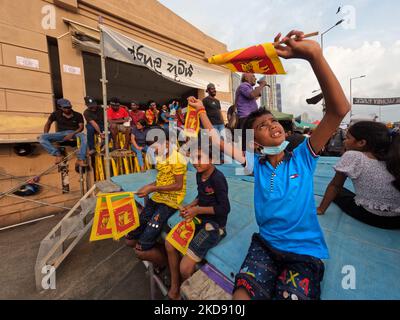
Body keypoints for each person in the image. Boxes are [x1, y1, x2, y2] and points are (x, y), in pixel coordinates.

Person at [188, 29, 351, 300]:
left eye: (273, 121)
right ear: (257, 143)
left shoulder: (303, 156)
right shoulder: (255, 165)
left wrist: (313, 55)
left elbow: (338, 109)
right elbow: (217, 141)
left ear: (284, 131)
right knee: (241, 295)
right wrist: (201, 111)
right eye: (262, 126)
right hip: (265, 247)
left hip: (303, 252)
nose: (272, 125)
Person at [165, 144, 230, 300]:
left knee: (185, 267)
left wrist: (197, 210)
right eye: (193, 158)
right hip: (200, 219)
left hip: (214, 226)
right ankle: (175, 288)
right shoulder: (199, 174)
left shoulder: (218, 178)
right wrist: (190, 206)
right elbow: (201, 196)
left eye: (200, 157)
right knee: (169, 244)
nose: (195, 162)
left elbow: (224, 208)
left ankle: (190, 293)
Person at [317, 121, 400, 229]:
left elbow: (335, 186)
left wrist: (320, 209)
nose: (344, 141)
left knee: (339, 192)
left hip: (372, 216)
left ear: (361, 143)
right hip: (396, 221)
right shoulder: (395, 157)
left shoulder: (354, 156)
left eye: (347, 138)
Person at [125, 130, 187, 271]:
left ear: (166, 143)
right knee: (130, 238)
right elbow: (160, 179)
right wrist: (149, 186)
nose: (153, 150)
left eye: (155, 147)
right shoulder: (160, 156)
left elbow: (178, 185)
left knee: (141, 248)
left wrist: (152, 189)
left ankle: (170, 265)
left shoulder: (177, 158)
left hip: (171, 201)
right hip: (158, 197)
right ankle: (162, 255)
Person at [39, 98, 87, 167]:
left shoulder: (78, 115)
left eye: (69, 107)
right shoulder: (55, 114)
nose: (68, 109)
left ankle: (80, 159)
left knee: (84, 136)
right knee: (41, 137)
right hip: (61, 134)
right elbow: (48, 124)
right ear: (59, 107)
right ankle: (58, 155)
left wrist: (71, 134)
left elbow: (81, 128)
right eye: (65, 107)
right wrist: (46, 134)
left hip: (74, 133)